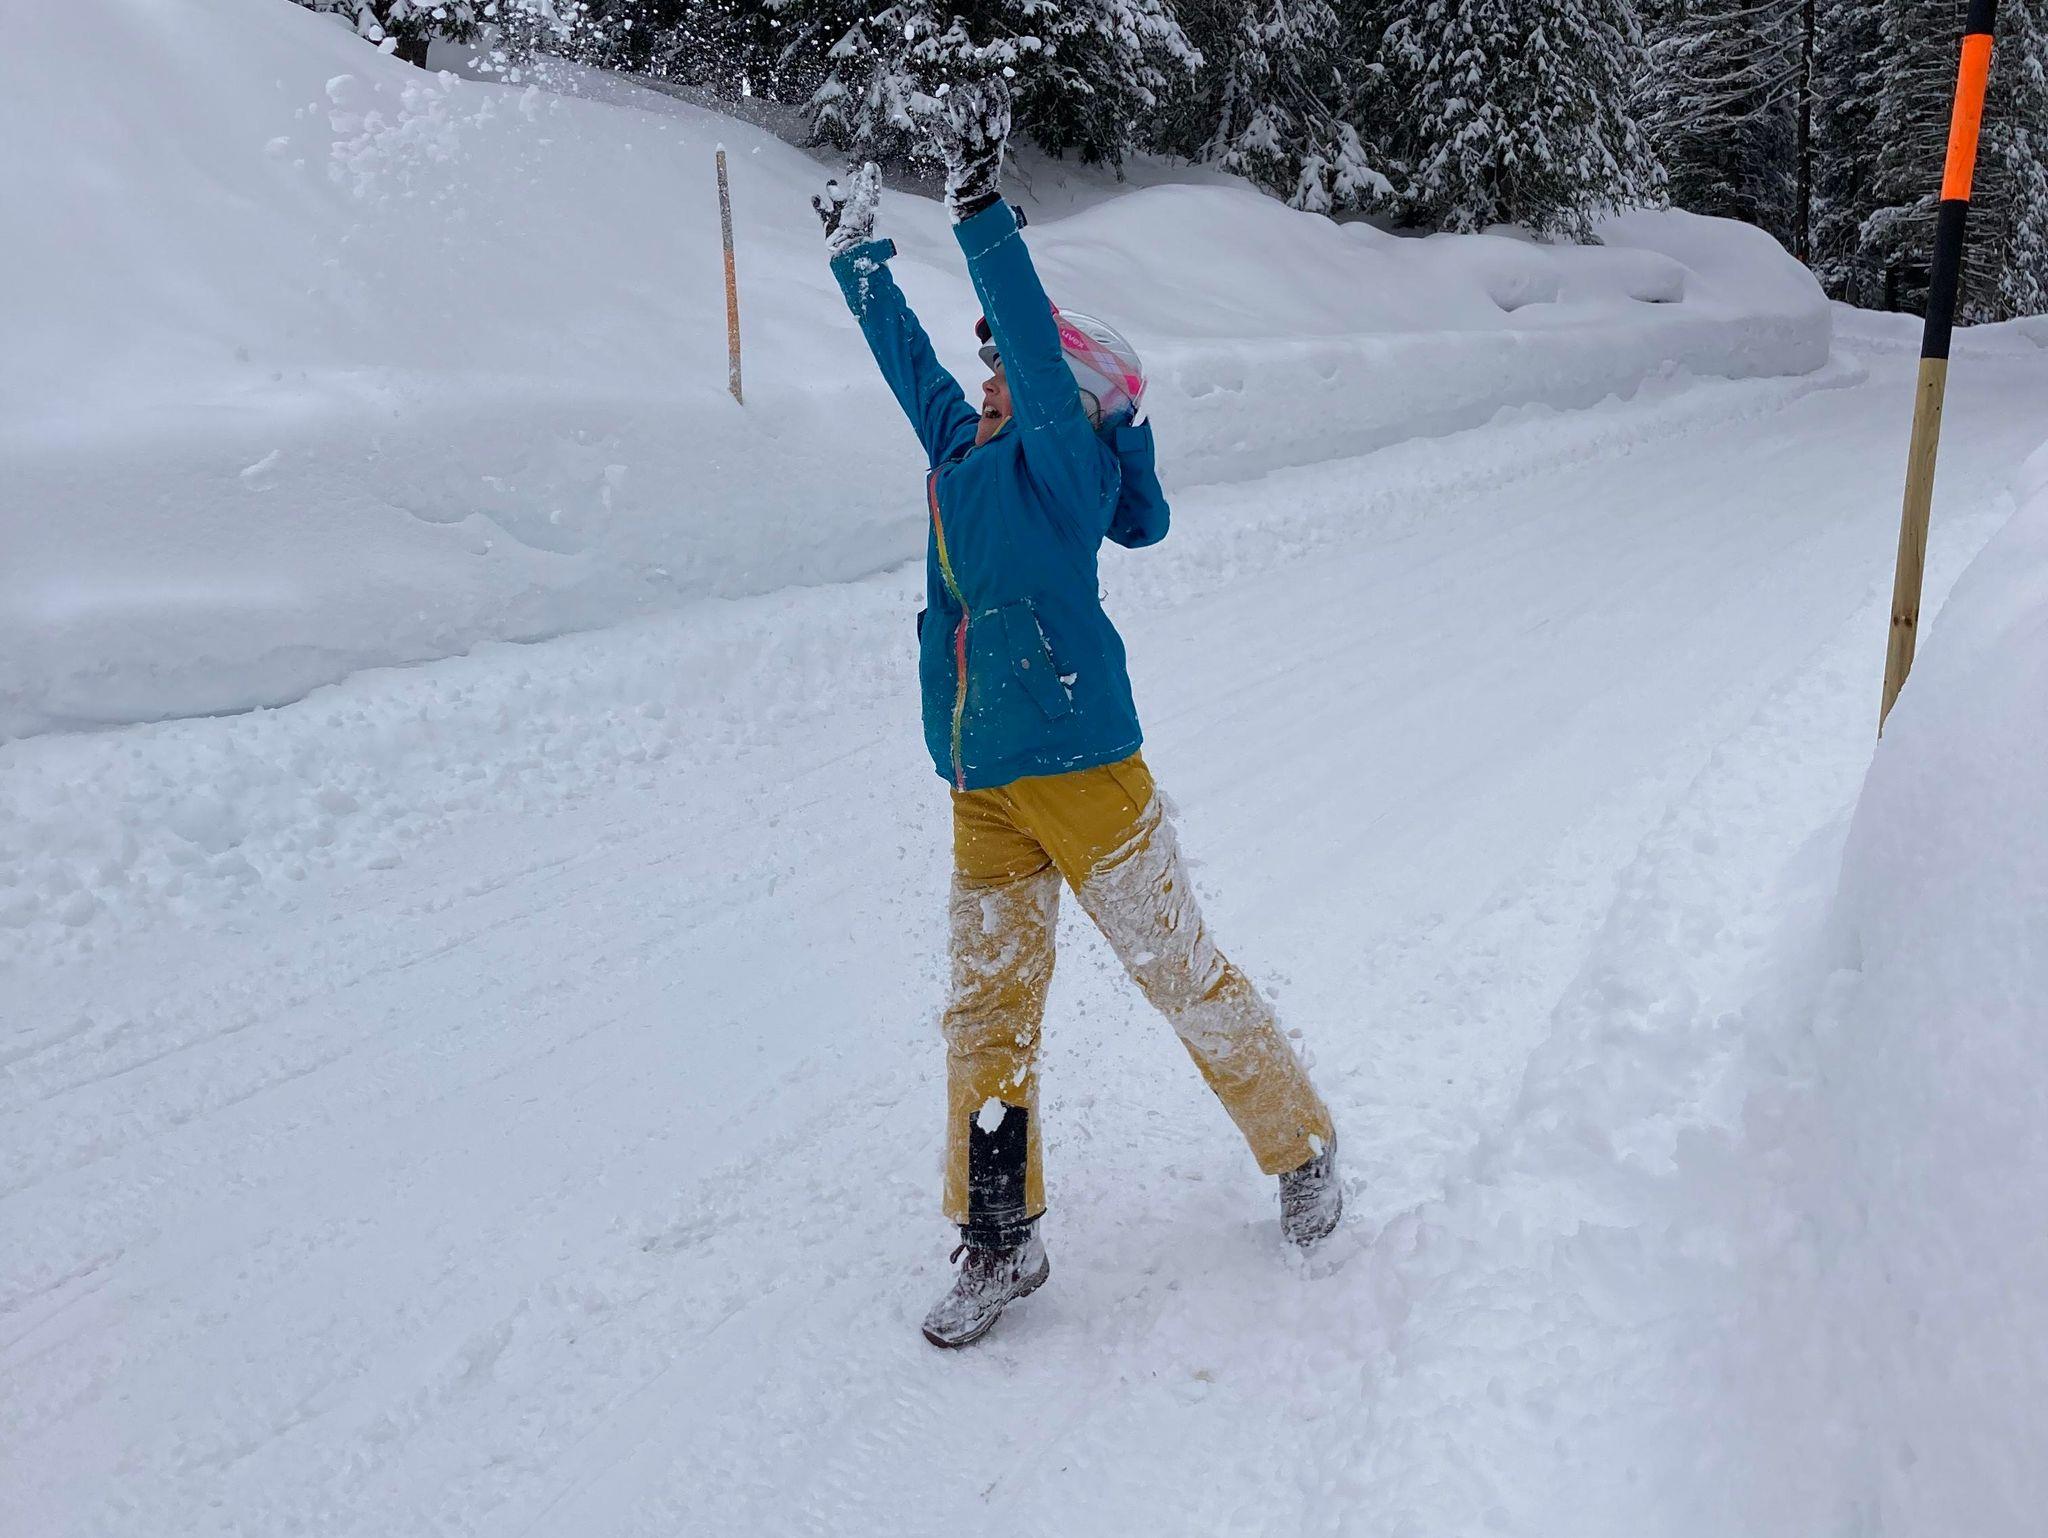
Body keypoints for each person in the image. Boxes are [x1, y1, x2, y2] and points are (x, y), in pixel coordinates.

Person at [816, 78, 1340, 1351]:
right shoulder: (964, 460)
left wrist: (978, 212)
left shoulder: (1061, 467)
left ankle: (1301, 1145)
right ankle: (999, 1233)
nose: (988, 380)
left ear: (1077, 402)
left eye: (1008, 368)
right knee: (985, 1013)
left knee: (1178, 971)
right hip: (983, 781)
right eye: (990, 373)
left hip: (1086, 768)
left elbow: (1033, 356)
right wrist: (856, 261)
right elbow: (914, 375)